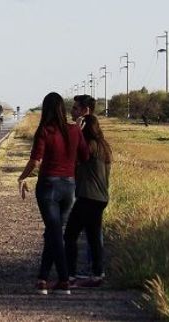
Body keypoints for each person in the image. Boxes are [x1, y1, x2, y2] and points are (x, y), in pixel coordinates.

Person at [18, 92, 89, 295]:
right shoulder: (74, 130)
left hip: (48, 185)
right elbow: (84, 156)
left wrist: (21, 177)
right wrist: (79, 134)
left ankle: (64, 279)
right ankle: (42, 278)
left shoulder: (45, 130)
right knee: (54, 231)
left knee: (55, 231)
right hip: (69, 186)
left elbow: (35, 161)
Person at [64, 114, 112, 287]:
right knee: (93, 236)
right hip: (101, 197)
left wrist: (75, 129)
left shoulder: (89, 146)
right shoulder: (104, 146)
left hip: (88, 197)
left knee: (70, 235)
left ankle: (70, 275)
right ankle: (98, 274)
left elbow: (70, 150)